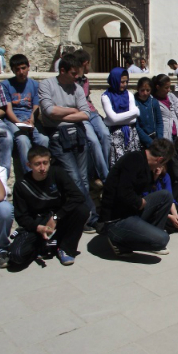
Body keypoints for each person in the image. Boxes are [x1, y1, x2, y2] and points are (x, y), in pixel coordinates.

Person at [39, 53, 98, 230]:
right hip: (58, 136)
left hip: (77, 135)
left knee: (83, 179)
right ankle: (91, 215)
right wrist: (73, 110)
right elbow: (49, 111)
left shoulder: (78, 88)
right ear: (62, 70)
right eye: (73, 74)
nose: (76, 78)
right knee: (75, 179)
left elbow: (86, 114)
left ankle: (84, 216)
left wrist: (62, 112)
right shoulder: (47, 85)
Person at [9, 146, 90, 266]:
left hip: (56, 217)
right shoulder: (21, 185)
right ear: (29, 165)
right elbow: (21, 217)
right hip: (36, 223)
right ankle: (44, 246)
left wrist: (56, 217)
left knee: (82, 210)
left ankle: (66, 248)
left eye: (45, 163)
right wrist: (38, 228)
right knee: (17, 256)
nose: (42, 168)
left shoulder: (57, 173)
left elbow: (78, 197)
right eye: (37, 164)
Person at [99, 140, 176, 256]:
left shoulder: (145, 163)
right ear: (160, 159)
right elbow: (124, 192)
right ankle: (119, 242)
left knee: (165, 196)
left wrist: (154, 176)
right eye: (163, 163)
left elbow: (144, 187)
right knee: (162, 239)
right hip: (116, 219)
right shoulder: (133, 160)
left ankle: (150, 235)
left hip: (130, 212)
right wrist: (140, 202)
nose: (161, 166)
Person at [1, 54, 49, 173]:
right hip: (14, 119)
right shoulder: (6, 85)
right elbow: (8, 109)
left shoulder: (34, 85)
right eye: (17, 69)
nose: (21, 72)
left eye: (23, 68)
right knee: (22, 140)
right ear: (12, 70)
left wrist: (32, 120)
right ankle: (28, 173)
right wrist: (19, 123)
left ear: (28, 67)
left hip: (30, 118)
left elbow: (36, 106)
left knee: (44, 139)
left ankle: (42, 170)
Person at [74, 49, 111, 189]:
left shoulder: (85, 80)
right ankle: (105, 177)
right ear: (85, 63)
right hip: (81, 114)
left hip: (92, 113)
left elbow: (88, 98)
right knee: (93, 141)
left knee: (106, 135)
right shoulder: (73, 82)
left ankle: (104, 170)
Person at [102, 68, 140, 166]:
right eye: (121, 82)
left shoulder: (129, 94)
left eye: (126, 81)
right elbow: (114, 118)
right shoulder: (106, 96)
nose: (124, 84)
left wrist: (109, 121)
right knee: (119, 164)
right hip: (115, 135)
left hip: (131, 134)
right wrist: (133, 112)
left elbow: (134, 119)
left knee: (132, 163)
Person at [135, 77, 164, 148]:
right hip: (141, 141)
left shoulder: (154, 102)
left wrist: (159, 139)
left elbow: (159, 122)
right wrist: (149, 142)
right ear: (138, 89)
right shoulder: (134, 103)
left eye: (148, 90)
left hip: (155, 139)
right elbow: (136, 126)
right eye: (142, 90)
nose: (145, 93)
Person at [152, 74, 178, 141]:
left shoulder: (171, 97)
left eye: (169, 87)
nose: (169, 90)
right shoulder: (153, 101)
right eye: (166, 88)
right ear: (158, 87)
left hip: (177, 134)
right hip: (165, 137)